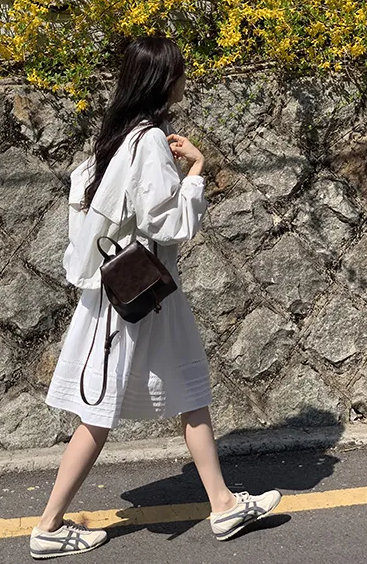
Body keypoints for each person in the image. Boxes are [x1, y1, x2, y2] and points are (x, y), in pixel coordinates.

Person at [29, 36, 281, 559]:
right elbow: (169, 223)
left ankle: (223, 504)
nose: (185, 78)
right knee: (98, 411)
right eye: (180, 71)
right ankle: (48, 526)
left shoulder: (116, 138)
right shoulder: (147, 142)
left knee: (189, 388)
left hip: (139, 294)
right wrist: (196, 173)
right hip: (135, 296)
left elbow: (88, 208)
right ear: (165, 80)